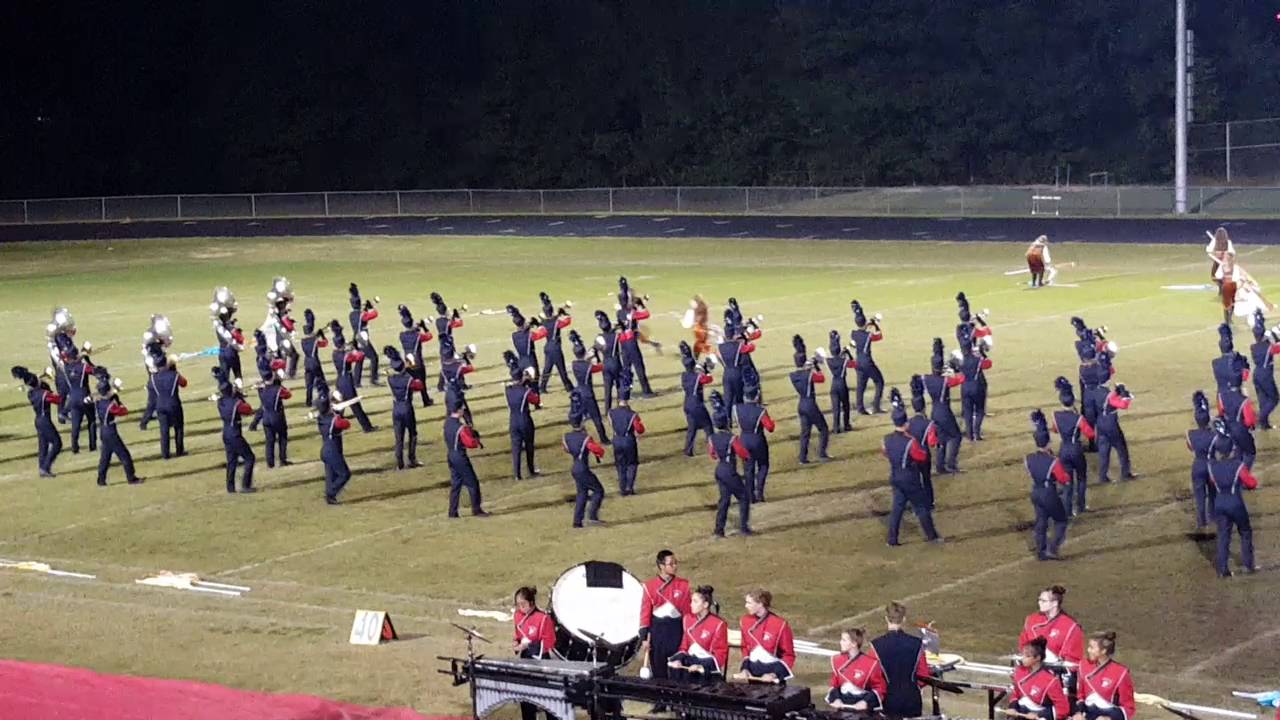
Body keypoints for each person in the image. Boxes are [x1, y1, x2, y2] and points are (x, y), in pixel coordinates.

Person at [884, 390, 941, 546]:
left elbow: (885, 453)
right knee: (922, 507)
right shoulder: (910, 442)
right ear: (906, 423)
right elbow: (921, 456)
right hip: (909, 478)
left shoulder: (886, 439)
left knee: (897, 509)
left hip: (895, 476)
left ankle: (892, 539)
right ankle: (932, 536)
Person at [1207, 418, 1260, 577]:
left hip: (1219, 503)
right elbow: (1251, 482)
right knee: (1245, 531)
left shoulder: (1211, 466)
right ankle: (1248, 565)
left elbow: (1212, 483)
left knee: (1223, 535)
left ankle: (1223, 570)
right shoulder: (1237, 465)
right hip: (1235, 502)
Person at [638, 550, 691, 682]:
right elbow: (645, 613)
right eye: (671, 564)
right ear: (661, 566)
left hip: (676, 629)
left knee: (677, 669)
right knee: (658, 670)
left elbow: (687, 613)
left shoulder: (683, 585)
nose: (675, 566)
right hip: (658, 632)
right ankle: (661, 701)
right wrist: (644, 637)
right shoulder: (649, 586)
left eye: (675, 563)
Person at [871, 601, 930, 718]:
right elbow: (924, 676)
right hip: (912, 700)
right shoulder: (917, 643)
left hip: (888, 701)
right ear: (904, 619)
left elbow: (873, 678)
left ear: (886, 619)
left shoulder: (876, 646)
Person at [1027, 410, 1072, 561]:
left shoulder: (1028, 459)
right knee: (1061, 520)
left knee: (1041, 521)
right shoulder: (1053, 461)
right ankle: (1052, 549)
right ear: (1048, 443)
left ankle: (1041, 550)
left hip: (1036, 491)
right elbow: (1063, 479)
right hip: (1048, 493)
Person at [708, 390, 752, 537]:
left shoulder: (712, 437)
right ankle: (744, 527)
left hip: (719, 469)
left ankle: (719, 529)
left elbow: (713, 455)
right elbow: (742, 453)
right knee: (744, 496)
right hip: (728, 470)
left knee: (724, 500)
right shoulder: (732, 438)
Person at [666, 585, 730, 684]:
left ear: (705, 605)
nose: (691, 604)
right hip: (689, 664)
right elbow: (684, 647)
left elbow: (720, 654)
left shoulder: (719, 624)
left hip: (707, 669)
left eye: (695, 602)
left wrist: (701, 666)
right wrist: (678, 660)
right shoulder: (687, 619)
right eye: (691, 601)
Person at [92, 367, 143, 486]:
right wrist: (118, 401)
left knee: (105, 457)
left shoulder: (99, 401)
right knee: (124, 456)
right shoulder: (110, 405)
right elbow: (123, 411)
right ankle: (131, 478)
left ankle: (101, 479)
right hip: (110, 431)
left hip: (103, 431)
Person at [512, 586, 557, 720]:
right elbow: (519, 635)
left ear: (531, 603)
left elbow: (549, 642)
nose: (521, 608)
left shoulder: (543, 618)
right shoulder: (517, 616)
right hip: (525, 661)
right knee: (526, 699)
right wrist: (516, 642)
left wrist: (528, 645)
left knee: (548, 699)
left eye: (523, 604)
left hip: (541, 662)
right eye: (518, 604)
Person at [563, 393, 606, 528]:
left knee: (582, 493)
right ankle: (592, 516)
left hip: (575, 467)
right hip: (582, 468)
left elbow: (566, 449)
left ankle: (577, 521)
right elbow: (598, 450)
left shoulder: (567, 437)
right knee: (599, 490)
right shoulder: (585, 438)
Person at [733, 589, 795, 684]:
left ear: (760, 604)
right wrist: (745, 669)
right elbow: (745, 648)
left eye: (749, 603)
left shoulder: (779, 624)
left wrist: (774, 674)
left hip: (773, 674)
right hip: (753, 672)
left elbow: (789, 655)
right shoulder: (744, 621)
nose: (746, 606)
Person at [1052, 378, 1094, 516]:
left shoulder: (1055, 415)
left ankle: (1068, 509)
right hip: (1076, 449)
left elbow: (1055, 430)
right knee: (1081, 478)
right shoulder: (1078, 418)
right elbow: (1090, 433)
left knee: (1067, 481)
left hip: (1063, 449)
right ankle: (1081, 506)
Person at [11, 366, 62, 477]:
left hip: (38, 420)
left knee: (43, 445)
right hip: (45, 421)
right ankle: (45, 467)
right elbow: (58, 400)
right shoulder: (43, 394)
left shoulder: (31, 393)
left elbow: (37, 385)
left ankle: (42, 468)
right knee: (57, 443)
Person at [1186, 391, 1227, 532]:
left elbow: (1190, 447)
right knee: (1213, 493)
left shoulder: (1190, 434)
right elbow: (1222, 449)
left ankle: (1201, 521)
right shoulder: (1214, 435)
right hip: (1211, 466)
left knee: (1199, 496)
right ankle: (1213, 517)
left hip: (1197, 465)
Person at [923, 338, 964, 474]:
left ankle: (940, 466)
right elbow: (961, 378)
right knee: (956, 436)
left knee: (941, 438)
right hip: (944, 411)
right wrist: (956, 368)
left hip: (934, 411)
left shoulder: (927, 379)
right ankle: (951, 464)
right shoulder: (946, 381)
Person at [212, 367, 256, 494]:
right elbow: (248, 409)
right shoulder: (236, 403)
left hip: (226, 432)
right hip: (235, 434)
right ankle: (245, 485)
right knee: (249, 458)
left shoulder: (221, 402)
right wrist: (240, 396)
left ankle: (230, 487)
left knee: (231, 461)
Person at [1073, 632, 1136, 720]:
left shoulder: (1121, 672)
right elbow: (1080, 695)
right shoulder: (1083, 665)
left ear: (1103, 651)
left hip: (1110, 714)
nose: (1088, 650)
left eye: (1092, 648)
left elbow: (1128, 707)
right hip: (1087, 712)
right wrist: (1078, 713)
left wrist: (1109, 718)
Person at [445, 397, 489, 518]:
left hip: (450, 455)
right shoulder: (461, 427)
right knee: (472, 483)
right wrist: (476, 440)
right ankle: (476, 509)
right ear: (458, 410)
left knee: (456, 484)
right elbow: (470, 443)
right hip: (460, 456)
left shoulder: (447, 423)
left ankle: (452, 511)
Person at [1018, 585, 1084, 665]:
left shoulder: (1071, 626)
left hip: (1055, 671)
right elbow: (1023, 644)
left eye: (1043, 601)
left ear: (1055, 603)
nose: (1039, 603)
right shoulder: (1031, 619)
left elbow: (1072, 660)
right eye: (1039, 600)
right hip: (1031, 666)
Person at [1007, 637, 1071, 720]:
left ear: (1037, 658)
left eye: (1027, 656)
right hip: (1020, 713)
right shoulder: (1019, 671)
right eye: (1023, 655)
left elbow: (1063, 709)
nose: (1023, 659)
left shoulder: (1051, 680)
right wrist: (1013, 707)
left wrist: (1039, 715)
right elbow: (1015, 693)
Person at [825, 628, 888, 711]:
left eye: (844, 640)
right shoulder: (837, 660)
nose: (840, 642)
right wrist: (836, 699)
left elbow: (880, 688)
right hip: (842, 706)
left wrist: (865, 702)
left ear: (854, 643)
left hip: (863, 709)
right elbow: (834, 684)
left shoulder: (871, 664)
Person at [329, 322, 375, 432]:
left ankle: (334, 425)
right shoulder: (347, 356)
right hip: (347, 380)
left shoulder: (335, 353)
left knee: (339, 405)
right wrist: (356, 348)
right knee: (355, 405)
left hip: (339, 379)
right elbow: (359, 357)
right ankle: (367, 427)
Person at [503, 350, 541, 480]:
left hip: (513, 420)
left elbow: (511, 385)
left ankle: (517, 474)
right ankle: (531, 470)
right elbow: (536, 400)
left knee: (516, 448)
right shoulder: (525, 391)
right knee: (529, 445)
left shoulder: (508, 390)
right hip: (524, 419)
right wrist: (530, 383)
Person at [313, 383, 352, 505]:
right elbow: (346, 424)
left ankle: (330, 497)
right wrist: (339, 410)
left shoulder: (321, 418)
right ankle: (331, 493)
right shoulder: (334, 420)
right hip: (333, 450)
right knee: (344, 474)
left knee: (330, 474)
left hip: (326, 449)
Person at [385, 346, 424, 471]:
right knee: (412, 433)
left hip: (396, 409)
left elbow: (392, 372)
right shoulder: (409, 379)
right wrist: (412, 368)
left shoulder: (390, 379)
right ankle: (412, 459)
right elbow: (420, 386)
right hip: (407, 408)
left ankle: (399, 463)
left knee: (398, 438)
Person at [608, 369, 645, 496]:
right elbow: (640, 430)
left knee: (620, 465)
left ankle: (622, 488)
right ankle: (630, 487)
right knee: (632, 464)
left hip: (616, 440)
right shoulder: (632, 414)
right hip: (629, 440)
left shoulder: (611, 413)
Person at [735, 385, 775, 502]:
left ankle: (750, 495)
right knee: (763, 465)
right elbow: (770, 427)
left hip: (744, 440)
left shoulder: (737, 409)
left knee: (748, 469)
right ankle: (760, 493)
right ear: (757, 396)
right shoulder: (761, 411)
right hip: (758, 440)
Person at [568, 330, 610, 443]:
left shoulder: (574, 364)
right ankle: (603, 438)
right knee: (596, 418)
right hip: (588, 394)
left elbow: (584, 359)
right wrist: (597, 352)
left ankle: (577, 436)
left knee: (578, 418)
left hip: (579, 392)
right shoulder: (588, 367)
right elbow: (600, 366)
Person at [906, 378, 939, 509]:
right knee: (926, 479)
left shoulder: (907, 423)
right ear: (924, 407)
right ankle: (930, 502)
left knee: (914, 480)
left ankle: (915, 503)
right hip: (924, 456)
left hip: (912, 456)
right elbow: (932, 443)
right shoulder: (929, 424)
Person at [679, 341, 715, 456]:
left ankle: (688, 450)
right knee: (708, 426)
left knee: (692, 428)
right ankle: (713, 449)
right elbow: (708, 380)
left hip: (687, 404)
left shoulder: (684, 376)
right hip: (697, 404)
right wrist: (707, 371)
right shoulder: (698, 377)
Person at [149, 354, 188, 460]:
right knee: (178, 427)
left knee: (164, 430)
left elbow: (151, 391)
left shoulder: (153, 378)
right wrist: (175, 370)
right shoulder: (174, 375)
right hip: (174, 404)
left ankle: (165, 454)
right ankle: (179, 450)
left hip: (160, 406)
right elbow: (184, 383)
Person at [850, 300, 885, 415]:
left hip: (858, 362)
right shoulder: (868, 335)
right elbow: (879, 336)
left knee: (861, 386)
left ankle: (860, 408)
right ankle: (876, 406)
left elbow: (861, 330)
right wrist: (875, 324)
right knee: (879, 382)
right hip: (867, 362)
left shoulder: (853, 333)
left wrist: (866, 323)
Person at [1096, 384, 1136, 483]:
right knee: (1121, 448)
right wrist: (1126, 396)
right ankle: (1125, 473)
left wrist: (1117, 392)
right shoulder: (1107, 395)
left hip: (1100, 422)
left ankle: (1103, 476)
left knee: (1104, 451)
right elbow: (1123, 405)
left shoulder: (1094, 391)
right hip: (1111, 424)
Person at [396, 304, 434, 408]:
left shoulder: (402, 335)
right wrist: (424, 327)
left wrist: (415, 327)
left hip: (408, 362)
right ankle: (426, 401)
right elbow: (429, 336)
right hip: (418, 362)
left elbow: (410, 332)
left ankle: (408, 402)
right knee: (422, 382)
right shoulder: (417, 336)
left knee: (410, 384)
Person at [255, 365, 291, 469]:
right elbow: (288, 395)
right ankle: (282, 459)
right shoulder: (278, 389)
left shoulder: (261, 390)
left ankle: (270, 463)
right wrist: (279, 382)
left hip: (266, 417)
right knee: (282, 437)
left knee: (269, 440)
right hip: (277, 416)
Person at [537, 292, 574, 394]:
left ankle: (542, 387)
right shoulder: (556, 322)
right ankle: (568, 387)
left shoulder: (543, 322)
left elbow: (545, 318)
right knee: (561, 369)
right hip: (556, 347)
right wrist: (564, 313)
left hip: (548, 346)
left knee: (547, 369)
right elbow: (567, 321)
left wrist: (556, 314)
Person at [1249, 310, 1280, 429]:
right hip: (1265, 375)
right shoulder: (1269, 347)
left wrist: (1258, 320)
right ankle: (1259, 418)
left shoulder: (1254, 346)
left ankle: (1264, 424)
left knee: (1263, 400)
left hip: (1257, 374)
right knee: (1274, 399)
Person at [347, 283, 381, 387]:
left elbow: (360, 316)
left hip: (355, 338)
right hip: (362, 338)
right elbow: (375, 314)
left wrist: (364, 309)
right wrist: (371, 307)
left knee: (360, 359)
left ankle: (357, 382)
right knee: (374, 357)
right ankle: (373, 379)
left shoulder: (351, 314)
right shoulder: (363, 314)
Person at [827, 330, 857, 433]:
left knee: (836, 408)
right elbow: (854, 364)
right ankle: (846, 425)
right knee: (846, 406)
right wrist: (848, 353)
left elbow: (835, 356)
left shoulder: (829, 361)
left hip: (834, 384)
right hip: (842, 384)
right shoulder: (844, 360)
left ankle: (836, 428)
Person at [507, 304, 546, 380]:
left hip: (521, 362)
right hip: (531, 361)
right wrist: (539, 325)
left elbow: (522, 330)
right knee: (534, 383)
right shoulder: (529, 335)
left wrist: (529, 325)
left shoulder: (514, 335)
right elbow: (543, 332)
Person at [300, 309, 328, 407]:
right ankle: (324, 396)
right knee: (321, 380)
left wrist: (317, 335)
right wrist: (323, 336)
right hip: (315, 362)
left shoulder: (303, 341)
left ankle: (308, 401)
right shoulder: (314, 341)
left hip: (307, 362)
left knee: (309, 384)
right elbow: (325, 343)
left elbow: (310, 338)